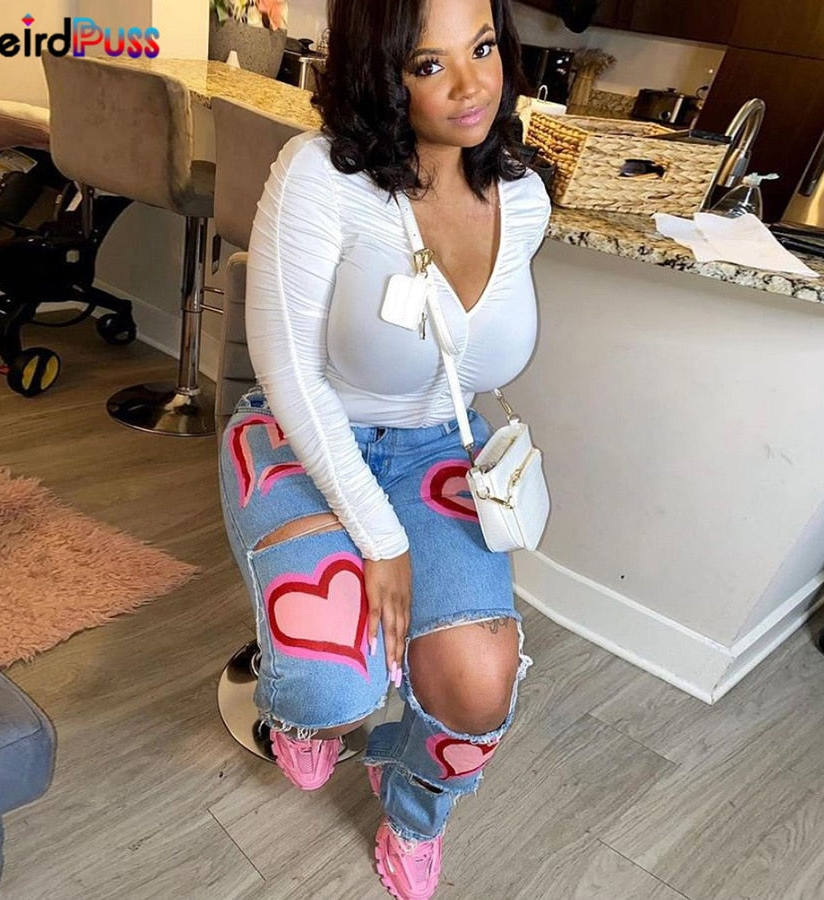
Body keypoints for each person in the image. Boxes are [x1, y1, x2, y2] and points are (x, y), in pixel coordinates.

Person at [218, 0, 550, 896]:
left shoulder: (523, 196)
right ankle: (306, 711)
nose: (473, 85)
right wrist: (383, 538)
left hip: (436, 446)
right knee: (332, 688)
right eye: (429, 63)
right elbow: (290, 372)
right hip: (299, 437)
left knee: (480, 685)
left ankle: (411, 808)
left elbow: (471, 356)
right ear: (381, 72)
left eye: (484, 47)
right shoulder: (321, 175)